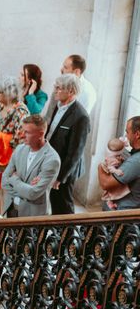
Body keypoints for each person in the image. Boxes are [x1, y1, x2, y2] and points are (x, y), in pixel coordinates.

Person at [46, 74, 91, 214]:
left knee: (64, 204)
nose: (55, 90)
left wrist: (60, 177)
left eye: (58, 88)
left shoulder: (81, 116)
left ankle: (69, 233)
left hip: (66, 168)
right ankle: (55, 232)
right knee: (53, 201)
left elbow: (75, 153)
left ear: (71, 91)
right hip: (54, 160)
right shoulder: (58, 105)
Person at [2, 115, 61, 217]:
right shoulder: (20, 149)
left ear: (41, 134)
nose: (22, 135)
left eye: (27, 132)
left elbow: (33, 193)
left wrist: (14, 179)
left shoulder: (52, 160)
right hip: (11, 209)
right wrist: (25, 190)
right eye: (22, 130)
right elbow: (4, 181)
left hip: (33, 215)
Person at [0, 77, 30, 207]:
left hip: (12, 158)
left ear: (9, 93)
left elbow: (22, 139)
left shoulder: (21, 111)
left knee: (10, 193)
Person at [99, 116, 140, 210]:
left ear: (137, 134)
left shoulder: (136, 161)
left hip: (121, 215)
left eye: (127, 132)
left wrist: (100, 166)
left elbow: (105, 183)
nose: (126, 136)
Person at [99, 137, 131, 209]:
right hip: (111, 174)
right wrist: (117, 171)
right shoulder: (112, 160)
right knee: (112, 192)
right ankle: (110, 203)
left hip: (112, 173)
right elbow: (110, 168)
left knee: (114, 192)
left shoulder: (115, 157)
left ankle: (112, 202)